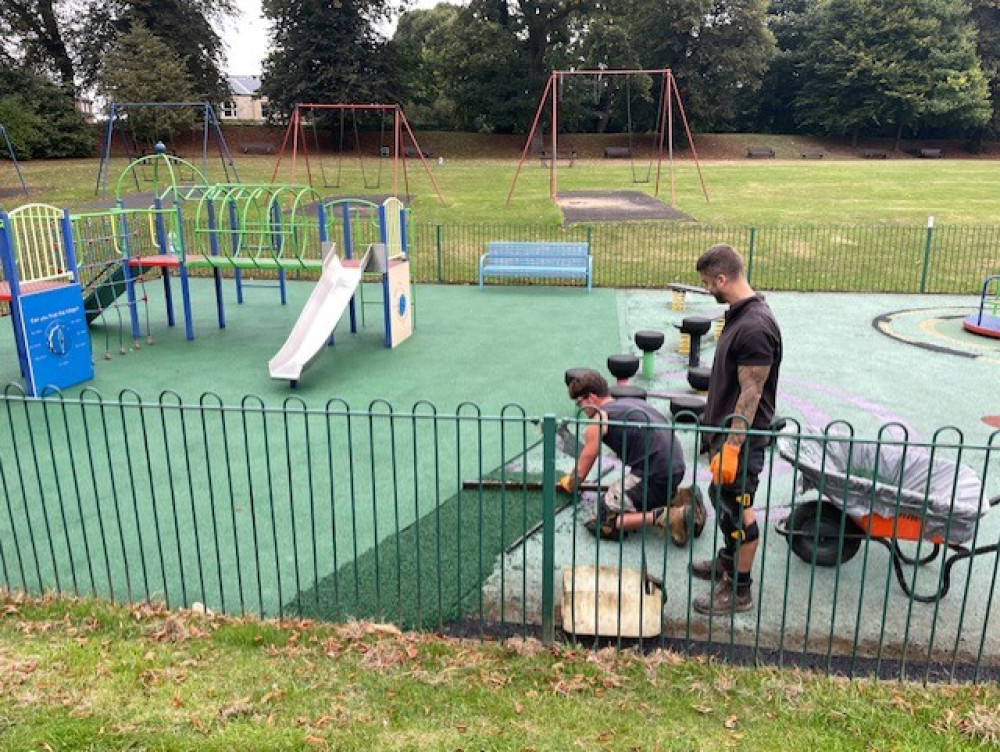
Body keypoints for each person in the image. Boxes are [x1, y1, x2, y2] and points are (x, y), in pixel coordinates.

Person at [691, 243, 782, 615]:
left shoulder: (756, 327)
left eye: (708, 283)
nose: (707, 289)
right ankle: (728, 561)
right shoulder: (739, 314)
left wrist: (731, 447)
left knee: (740, 510)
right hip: (726, 438)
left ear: (723, 278)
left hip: (741, 443)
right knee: (724, 503)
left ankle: (739, 591)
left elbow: (751, 393)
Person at [558, 369, 687, 539]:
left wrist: (572, 482)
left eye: (580, 403)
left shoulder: (600, 418)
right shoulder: (630, 403)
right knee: (634, 492)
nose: (580, 408)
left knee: (602, 520)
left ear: (591, 398)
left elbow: (584, 465)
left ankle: (665, 517)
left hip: (653, 473)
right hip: (676, 467)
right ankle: (679, 499)